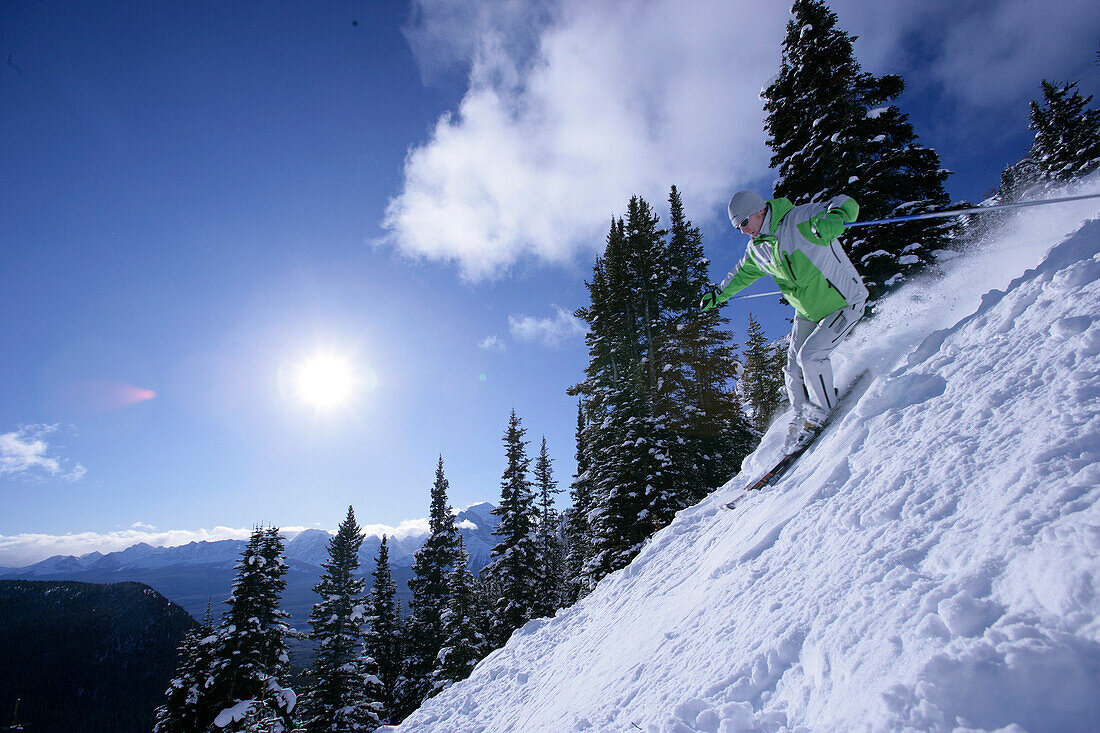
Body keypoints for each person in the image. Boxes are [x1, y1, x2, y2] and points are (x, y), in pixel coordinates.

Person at [701, 190, 868, 453]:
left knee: (811, 357)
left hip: (844, 302)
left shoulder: (798, 219)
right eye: (738, 227)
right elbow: (740, 275)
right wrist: (718, 294)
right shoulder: (758, 250)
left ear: (759, 211)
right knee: (792, 370)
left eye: (744, 223)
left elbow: (845, 202)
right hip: (809, 313)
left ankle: (821, 412)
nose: (743, 231)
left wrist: (835, 216)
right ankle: (802, 416)